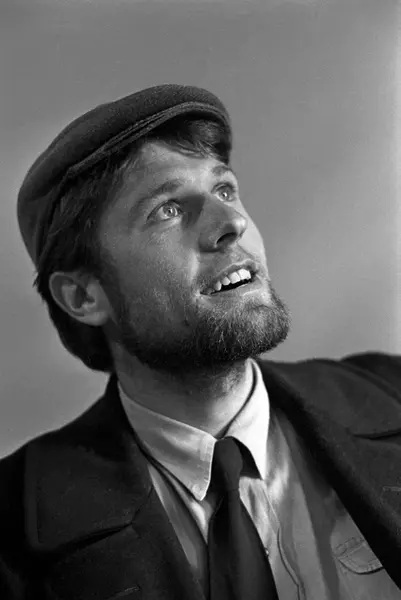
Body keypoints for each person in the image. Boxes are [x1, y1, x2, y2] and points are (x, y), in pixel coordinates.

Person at [0, 84, 400, 600]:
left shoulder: (392, 391)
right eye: (167, 209)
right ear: (83, 295)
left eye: (225, 190)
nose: (232, 223)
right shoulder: (11, 525)